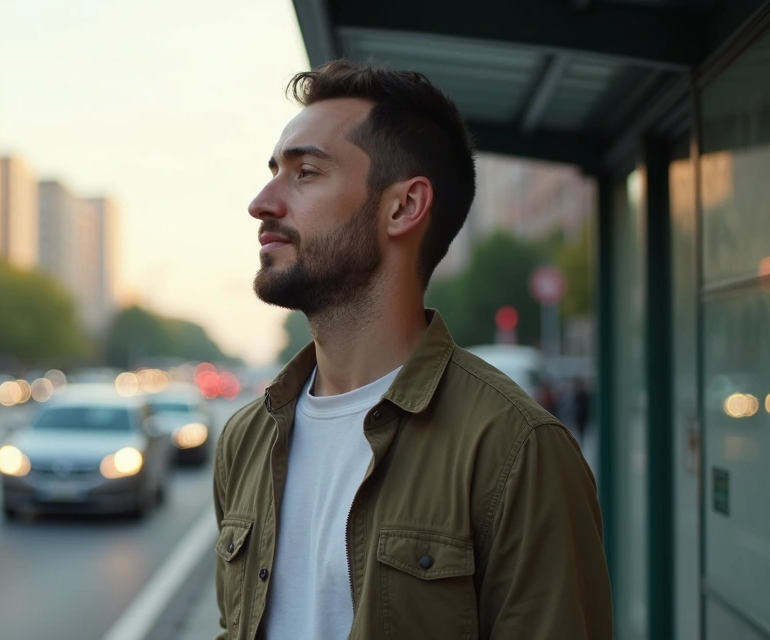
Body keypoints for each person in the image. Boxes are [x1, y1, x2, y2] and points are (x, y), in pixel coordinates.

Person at [213, 60, 611, 640]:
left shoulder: (515, 449)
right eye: (274, 171)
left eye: (306, 173)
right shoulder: (246, 439)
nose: (261, 202)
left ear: (403, 207)